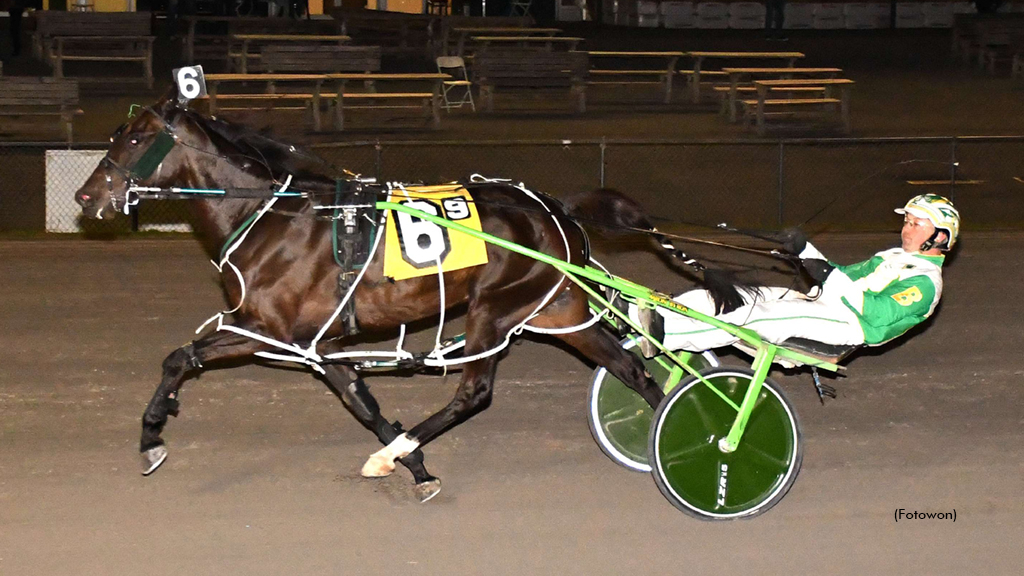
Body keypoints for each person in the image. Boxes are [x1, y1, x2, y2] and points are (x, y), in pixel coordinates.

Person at [634, 194, 960, 352]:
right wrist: (804, 250)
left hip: (851, 326)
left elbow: (877, 313)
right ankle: (646, 314)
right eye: (906, 221)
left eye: (916, 224)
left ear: (940, 237)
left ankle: (666, 337)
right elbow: (843, 274)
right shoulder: (891, 256)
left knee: (754, 320)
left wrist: (827, 275)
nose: (906, 229)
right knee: (743, 295)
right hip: (824, 304)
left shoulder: (926, 283)